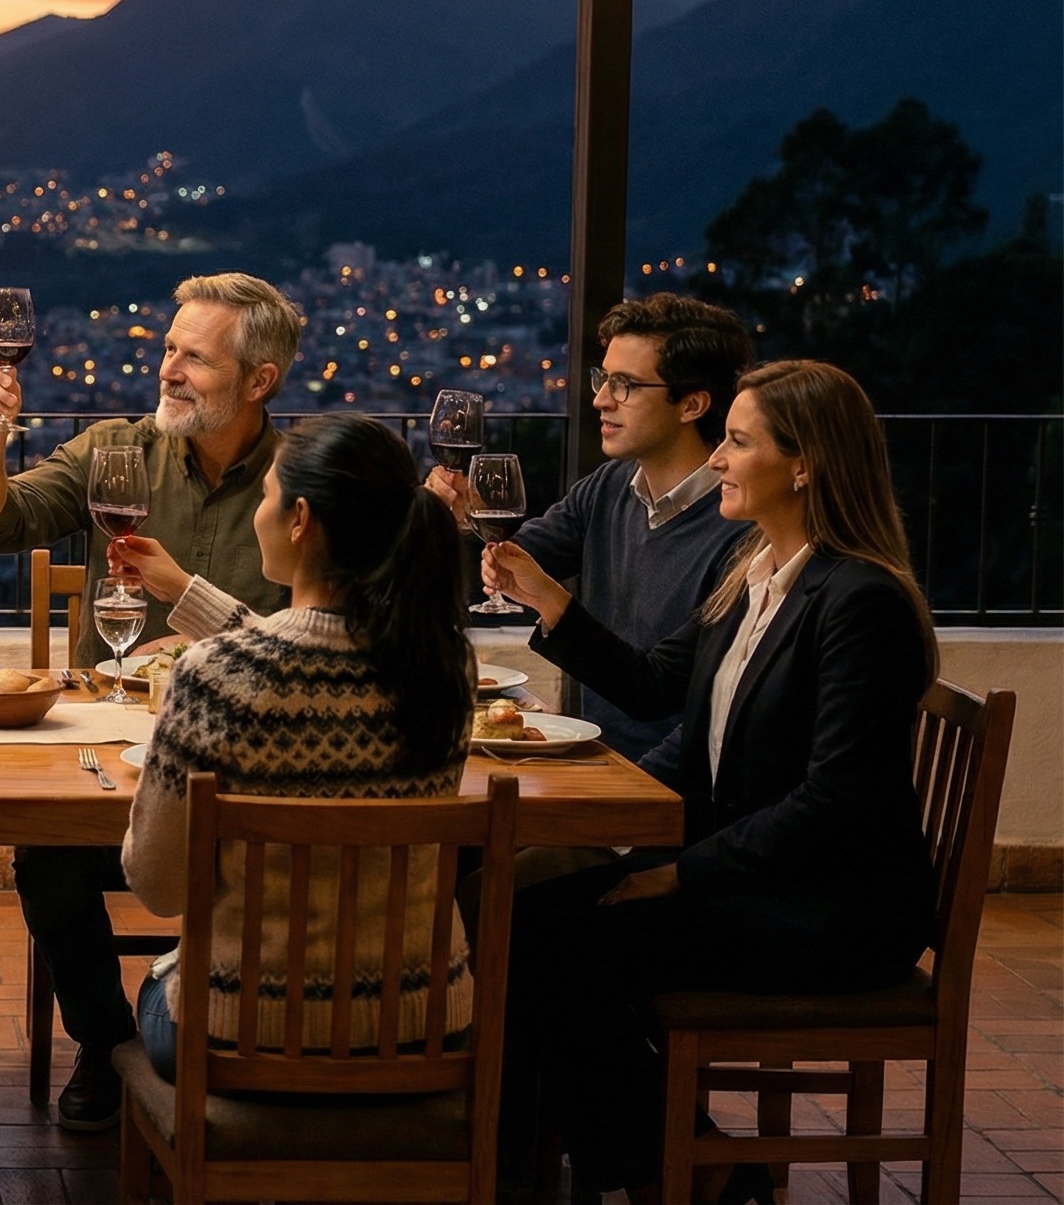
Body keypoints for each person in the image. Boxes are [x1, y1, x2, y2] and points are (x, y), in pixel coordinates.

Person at [486, 361, 938, 1205]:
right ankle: (598, 1157)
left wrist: (675, 872)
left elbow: (835, 802)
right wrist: (552, 603)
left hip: (831, 908)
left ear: (804, 465)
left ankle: (678, 1166)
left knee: (556, 948)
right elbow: (657, 685)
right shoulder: (753, 574)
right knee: (522, 919)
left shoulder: (860, 602)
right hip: (757, 875)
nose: (720, 461)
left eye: (737, 441)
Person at [0, 271, 301, 1130]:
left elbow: (318, 637)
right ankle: (109, 1048)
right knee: (47, 856)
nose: (169, 371)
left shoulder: (301, 479)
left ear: (260, 381)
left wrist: (186, 608)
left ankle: (234, 1033)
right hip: (113, 757)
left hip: (259, 763)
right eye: (168, 350)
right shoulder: (120, 447)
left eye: (195, 358)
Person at [124, 414, 476, 1073]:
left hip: (245, 1028)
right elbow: (316, 657)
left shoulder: (216, 677)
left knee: (142, 1000)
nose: (257, 512)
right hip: (424, 1025)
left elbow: (159, 887)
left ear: (300, 517)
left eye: (263, 497)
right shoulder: (445, 664)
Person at [425, 293, 753, 758]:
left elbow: (661, 693)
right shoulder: (610, 486)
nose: (599, 399)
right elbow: (515, 560)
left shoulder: (741, 532)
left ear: (692, 405)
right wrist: (458, 524)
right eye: (603, 379)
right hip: (592, 761)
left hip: (662, 789)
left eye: (624, 385)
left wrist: (548, 599)